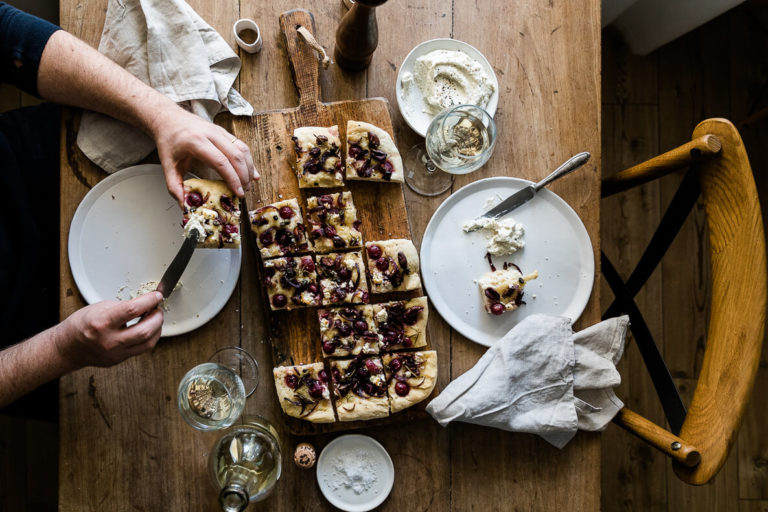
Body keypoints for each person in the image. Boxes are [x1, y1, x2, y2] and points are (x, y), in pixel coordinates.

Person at [0, 3, 257, 409]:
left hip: (36, 154)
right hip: (33, 344)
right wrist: (61, 349)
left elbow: (9, 38)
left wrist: (163, 115)